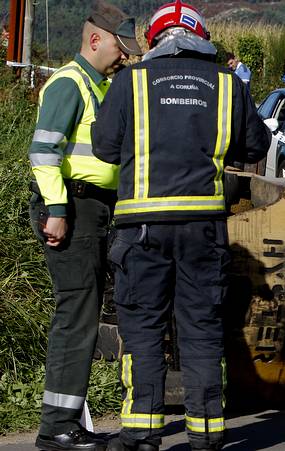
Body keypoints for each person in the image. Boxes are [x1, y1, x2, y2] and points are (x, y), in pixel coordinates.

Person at [91, 1, 269, 450]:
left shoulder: (132, 81)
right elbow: (254, 144)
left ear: (153, 40)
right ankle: (207, 436)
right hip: (203, 228)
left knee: (143, 328)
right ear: (201, 38)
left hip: (142, 228)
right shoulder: (228, 85)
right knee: (201, 328)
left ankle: (141, 431)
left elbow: (105, 148)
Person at [27, 2, 142, 450]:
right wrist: (56, 209)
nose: (124, 57)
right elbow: (43, 153)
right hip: (71, 208)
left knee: (83, 314)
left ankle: (66, 421)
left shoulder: (96, 85)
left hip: (90, 208)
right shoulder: (69, 84)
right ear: (95, 39)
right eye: (119, 47)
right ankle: (57, 426)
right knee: (76, 316)